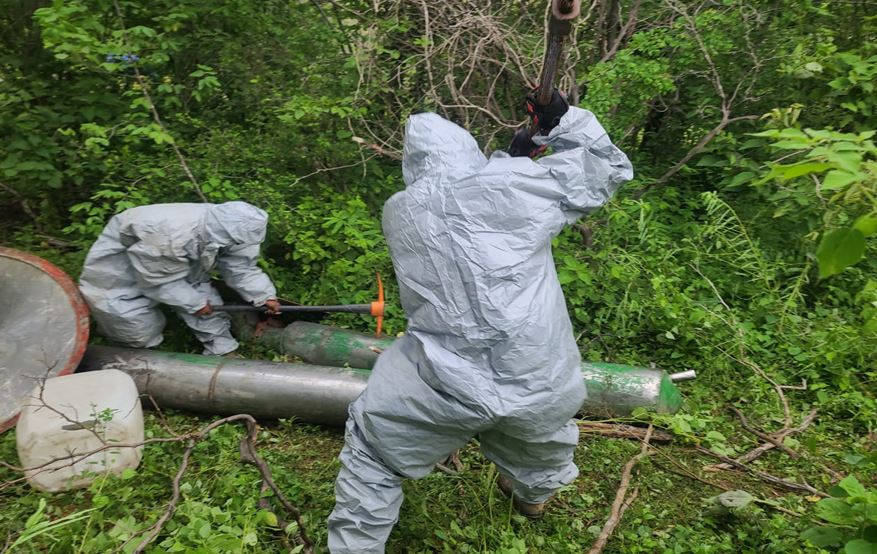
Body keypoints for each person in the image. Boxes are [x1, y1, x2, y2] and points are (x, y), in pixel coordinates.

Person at [326, 91, 633, 553]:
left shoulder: (399, 211)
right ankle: (533, 498)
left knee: (372, 449)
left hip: (439, 378)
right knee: (539, 438)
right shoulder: (507, 185)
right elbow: (602, 168)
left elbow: (463, 208)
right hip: (535, 373)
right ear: (468, 150)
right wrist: (560, 121)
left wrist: (513, 162)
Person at [78, 201, 280, 356]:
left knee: (207, 304)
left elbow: (241, 267)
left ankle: (223, 351)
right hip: (123, 265)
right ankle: (133, 357)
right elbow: (161, 282)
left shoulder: (242, 230)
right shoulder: (168, 231)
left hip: (178, 257)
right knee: (133, 327)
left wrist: (264, 296)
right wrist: (194, 303)